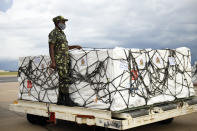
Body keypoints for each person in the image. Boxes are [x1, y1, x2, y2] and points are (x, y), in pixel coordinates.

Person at [48, 16, 81, 106]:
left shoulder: (62, 34)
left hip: (65, 59)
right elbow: (51, 47)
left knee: (63, 79)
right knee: (65, 78)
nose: (64, 24)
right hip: (60, 60)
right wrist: (53, 61)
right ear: (57, 22)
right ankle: (67, 100)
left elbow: (65, 47)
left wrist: (75, 46)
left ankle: (60, 100)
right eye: (63, 22)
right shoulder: (53, 33)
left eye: (64, 22)